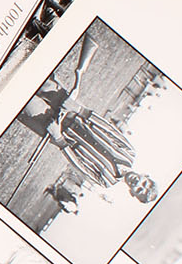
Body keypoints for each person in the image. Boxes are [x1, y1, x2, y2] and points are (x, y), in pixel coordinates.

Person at [14, 32, 157, 203]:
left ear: (132, 193)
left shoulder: (106, 182)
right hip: (73, 111)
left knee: (21, 99)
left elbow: (79, 165)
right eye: (144, 183)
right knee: (38, 76)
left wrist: (58, 137)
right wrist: (78, 108)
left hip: (56, 129)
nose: (138, 183)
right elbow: (108, 129)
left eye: (138, 190)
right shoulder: (129, 153)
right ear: (145, 175)